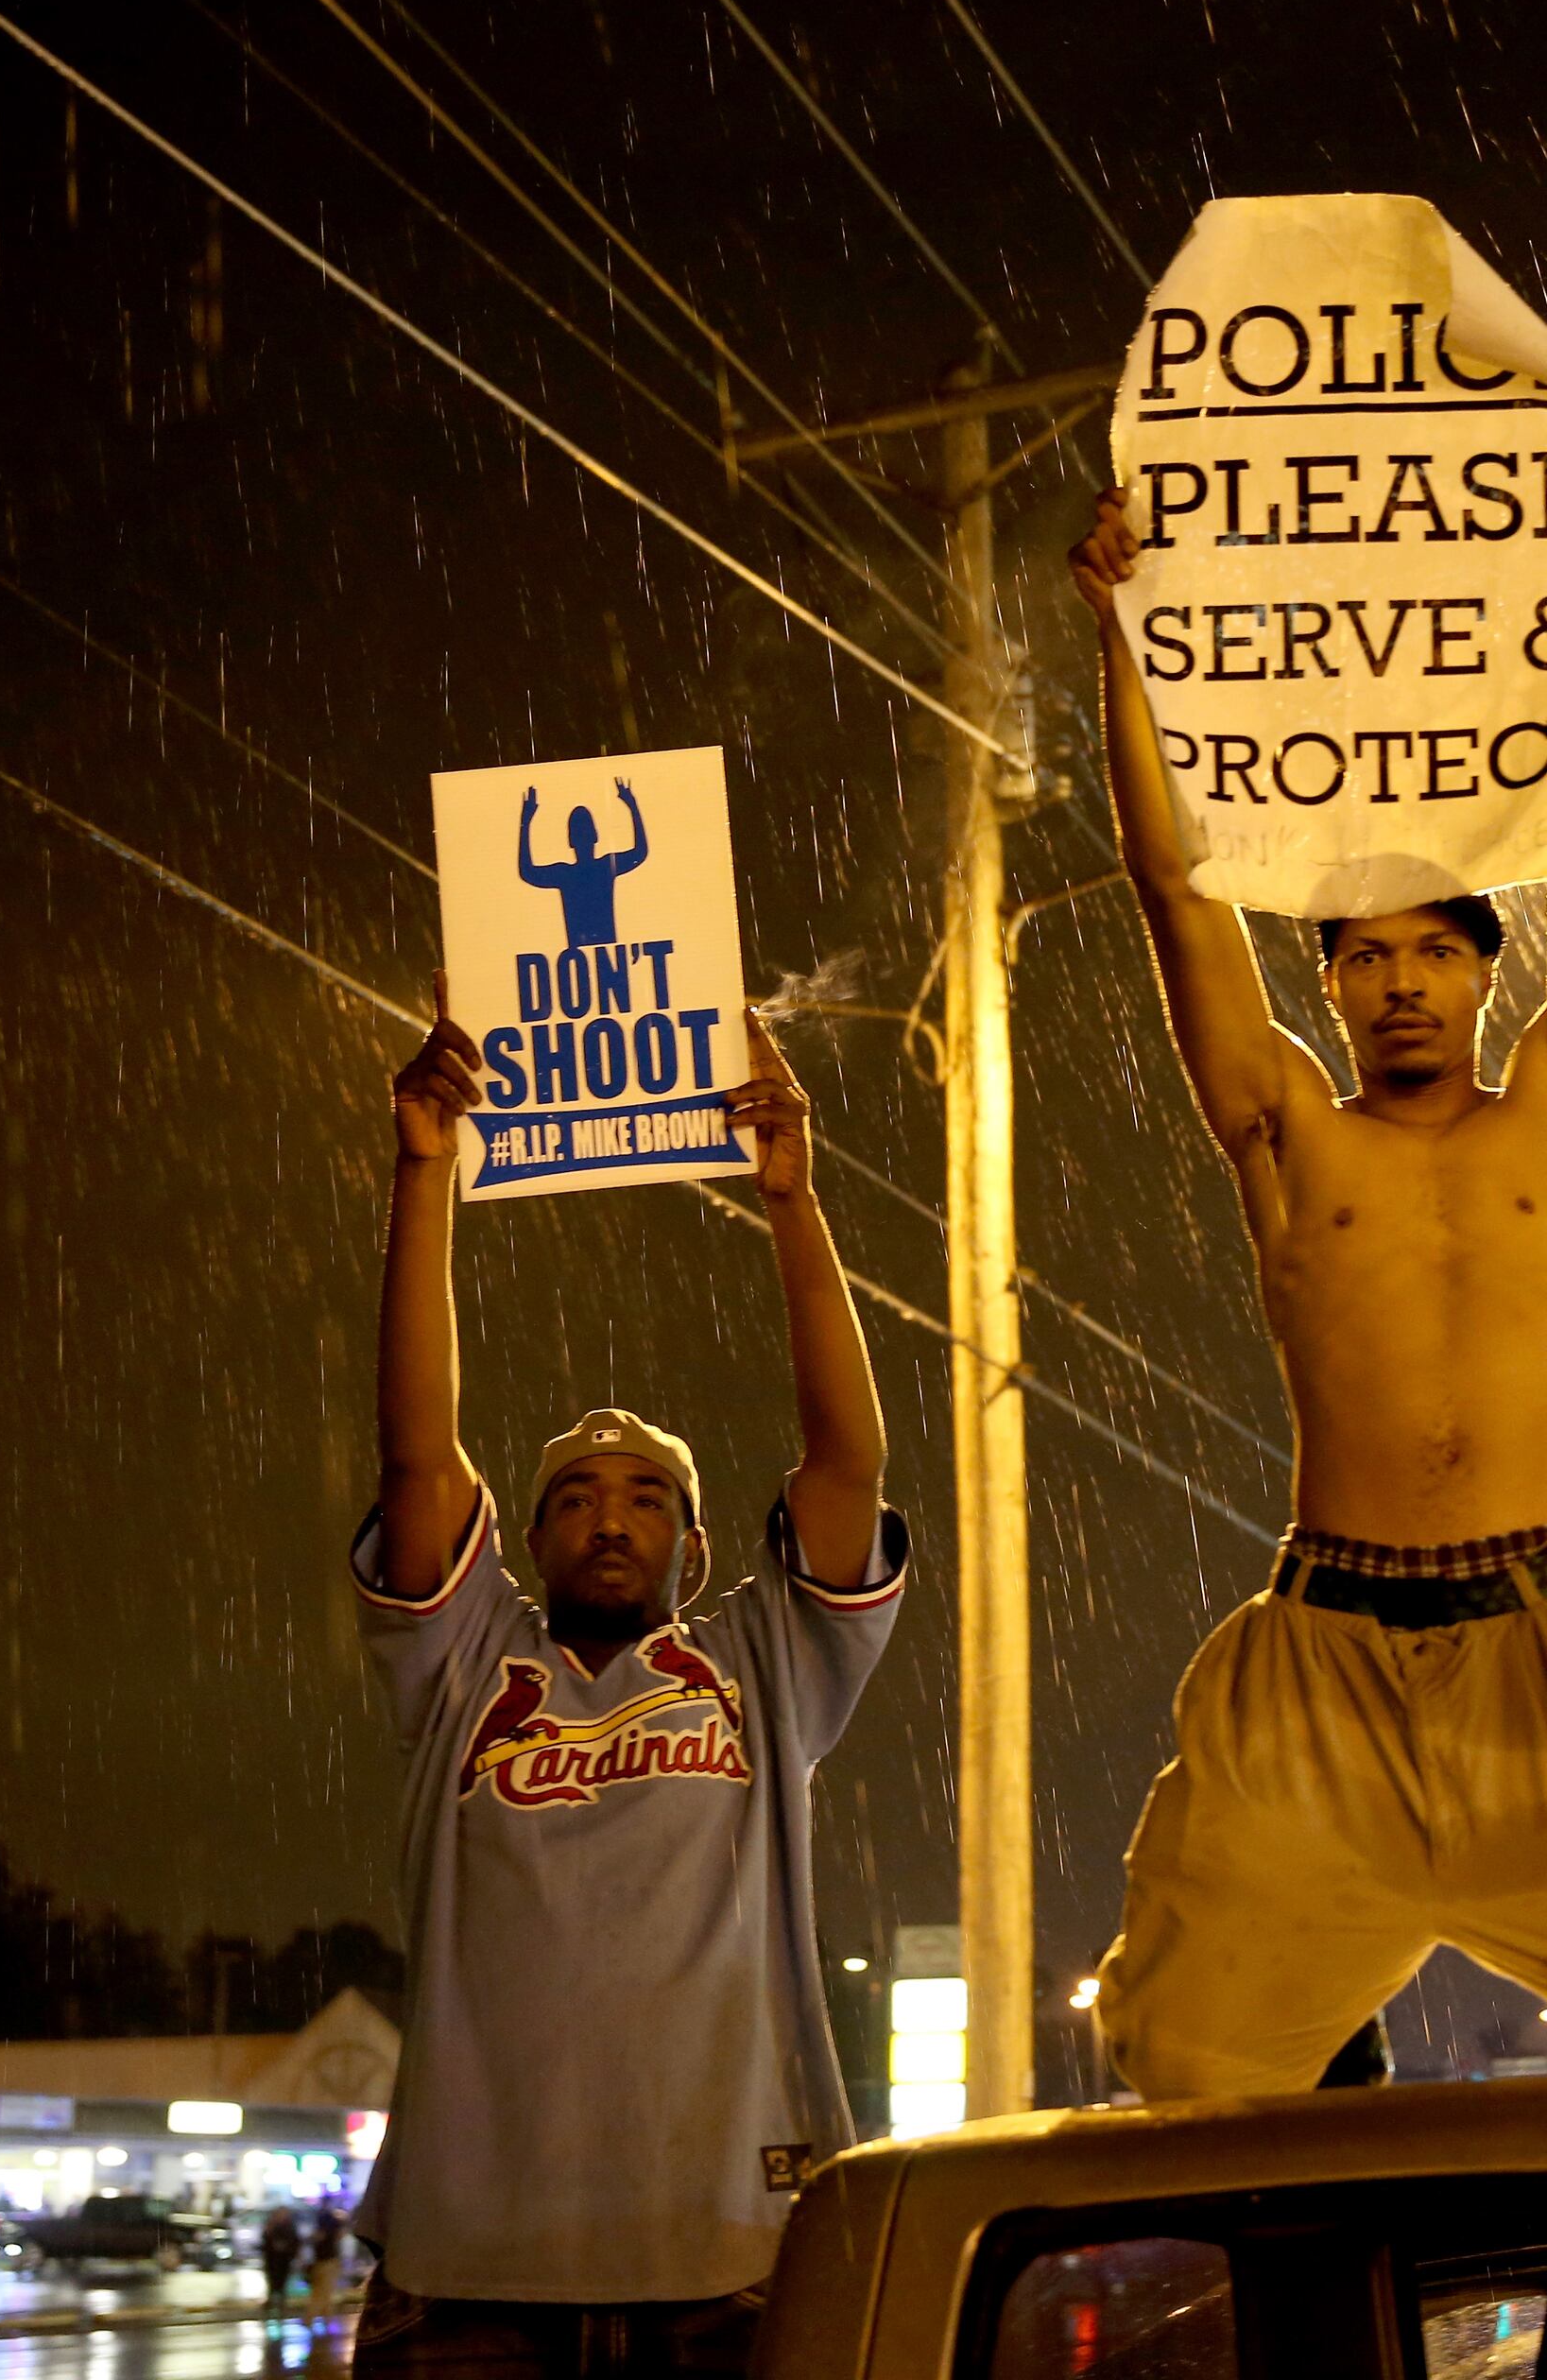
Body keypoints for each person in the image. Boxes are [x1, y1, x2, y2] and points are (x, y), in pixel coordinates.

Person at [1063, 457, 1547, 2101]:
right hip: (1333, 1657)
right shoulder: (1284, 1130)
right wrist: (1124, 628)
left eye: (1436, 949)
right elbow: (1169, 883)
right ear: (1334, 983)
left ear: (1483, 974)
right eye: (1368, 956)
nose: (1402, 982)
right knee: (1187, 2073)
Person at [350, 989, 905, 2373]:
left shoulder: (756, 1666)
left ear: (699, 1545)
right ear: (519, 1541)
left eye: (648, 1499)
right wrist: (427, 1174)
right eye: (579, 1498)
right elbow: (417, 1459)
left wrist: (794, 1204)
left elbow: (848, 1470)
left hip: (730, 2259)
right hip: (470, 2268)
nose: (611, 1519)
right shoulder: (463, 1665)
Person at [514, 781, 651, 950]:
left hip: (599, 953)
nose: (583, 838)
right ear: (595, 836)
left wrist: (525, 822)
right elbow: (527, 872)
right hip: (583, 955)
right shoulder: (599, 868)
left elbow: (640, 853)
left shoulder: (590, 870)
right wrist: (632, 805)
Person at [308, 2202, 348, 2322]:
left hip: (320, 2263)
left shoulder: (317, 2235)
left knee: (319, 2292)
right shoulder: (331, 2234)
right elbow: (340, 2234)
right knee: (325, 2292)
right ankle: (312, 2318)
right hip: (329, 2262)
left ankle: (325, 2317)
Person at [261, 2205, 301, 2304]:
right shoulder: (271, 2225)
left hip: (284, 2258)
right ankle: (272, 2298)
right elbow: (265, 2239)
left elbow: (295, 2241)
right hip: (272, 2257)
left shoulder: (289, 2226)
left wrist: (289, 2249)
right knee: (272, 2277)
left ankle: (281, 2299)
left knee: (283, 2278)